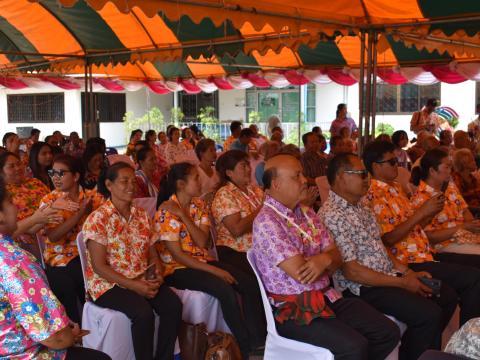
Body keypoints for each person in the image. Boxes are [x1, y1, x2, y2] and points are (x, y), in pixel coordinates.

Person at [252, 154, 400, 360]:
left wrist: (322, 260)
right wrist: (326, 259)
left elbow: (336, 256)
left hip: (327, 296)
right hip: (296, 309)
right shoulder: (267, 222)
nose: (305, 180)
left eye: (302, 174)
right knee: (354, 346)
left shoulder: (305, 212)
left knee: (387, 332)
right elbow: (302, 274)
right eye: (297, 176)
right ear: (276, 185)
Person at [319, 153, 458, 359]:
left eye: (366, 174)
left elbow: (380, 247)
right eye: (361, 174)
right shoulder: (332, 214)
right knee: (428, 314)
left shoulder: (362, 206)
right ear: (340, 177)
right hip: (362, 287)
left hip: (386, 276)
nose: (367, 179)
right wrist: (403, 283)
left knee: (444, 296)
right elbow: (353, 271)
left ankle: (414, 350)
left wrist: (408, 272)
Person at [362, 140, 480, 326]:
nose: (398, 166)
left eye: (397, 161)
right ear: (376, 166)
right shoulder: (373, 194)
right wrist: (422, 213)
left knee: (456, 288)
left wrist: (427, 213)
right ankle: (468, 341)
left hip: (424, 254)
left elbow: (415, 227)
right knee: (472, 280)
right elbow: (388, 239)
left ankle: (454, 341)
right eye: (392, 162)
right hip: (407, 260)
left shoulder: (396, 188)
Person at [153, 163, 265, 358]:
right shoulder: (165, 211)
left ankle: (259, 339)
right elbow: (179, 256)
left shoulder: (199, 205)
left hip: (201, 260)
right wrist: (216, 271)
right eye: (195, 178)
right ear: (181, 184)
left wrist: (183, 215)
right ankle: (246, 347)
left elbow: (203, 242)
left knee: (248, 282)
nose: (201, 181)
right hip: (176, 269)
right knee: (225, 289)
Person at [0, 178, 111, 360]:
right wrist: (69, 334)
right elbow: (55, 338)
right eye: (10, 203)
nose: (16, 208)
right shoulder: (15, 262)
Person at [82, 161, 182, 360]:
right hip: (107, 285)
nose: (130, 186)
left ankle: (164, 357)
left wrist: (157, 274)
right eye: (124, 181)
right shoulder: (98, 219)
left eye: (133, 181)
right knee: (142, 313)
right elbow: (99, 267)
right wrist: (135, 286)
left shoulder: (141, 215)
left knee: (173, 304)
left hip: (140, 277)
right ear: (109, 186)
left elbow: (152, 253)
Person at [40, 154, 104, 324]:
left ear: (76, 176)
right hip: (60, 258)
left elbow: (104, 229)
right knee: (70, 280)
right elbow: (53, 236)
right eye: (53, 172)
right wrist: (79, 214)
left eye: (61, 173)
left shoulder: (94, 197)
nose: (55, 177)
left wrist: (88, 211)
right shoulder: (50, 200)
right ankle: (76, 328)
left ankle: (98, 324)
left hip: (90, 254)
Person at [411, 149, 480, 259]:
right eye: (447, 167)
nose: (450, 171)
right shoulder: (420, 198)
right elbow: (428, 236)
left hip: (464, 236)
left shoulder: (450, 187)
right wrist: (463, 227)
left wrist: (473, 226)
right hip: (444, 245)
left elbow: (465, 211)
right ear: (432, 171)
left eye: (451, 167)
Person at [212, 150, 263, 275]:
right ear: (229, 173)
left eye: (248, 165)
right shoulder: (225, 194)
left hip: (259, 248)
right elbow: (237, 229)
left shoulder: (253, 190)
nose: (249, 169)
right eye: (243, 166)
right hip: (236, 251)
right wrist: (263, 208)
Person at [0, 151, 58, 259]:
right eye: (11, 166)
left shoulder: (36, 182)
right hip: (25, 239)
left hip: (50, 227)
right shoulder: (3, 193)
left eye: (19, 163)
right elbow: (6, 229)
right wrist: (33, 222)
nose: (17, 168)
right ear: (1, 171)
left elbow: (52, 202)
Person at [452, 149, 480, 216]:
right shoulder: (456, 181)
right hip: (469, 215)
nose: (475, 162)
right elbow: (460, 205)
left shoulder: (472, 178)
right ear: (464, 164)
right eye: (472, 160)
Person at [195, 138, 220, 203]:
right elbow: (193, 197)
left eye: (215, 150)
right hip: (201, 208)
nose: (214, 153)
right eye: (211, 150)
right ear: (201, 153)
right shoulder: (196, 173)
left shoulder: (216, 171)